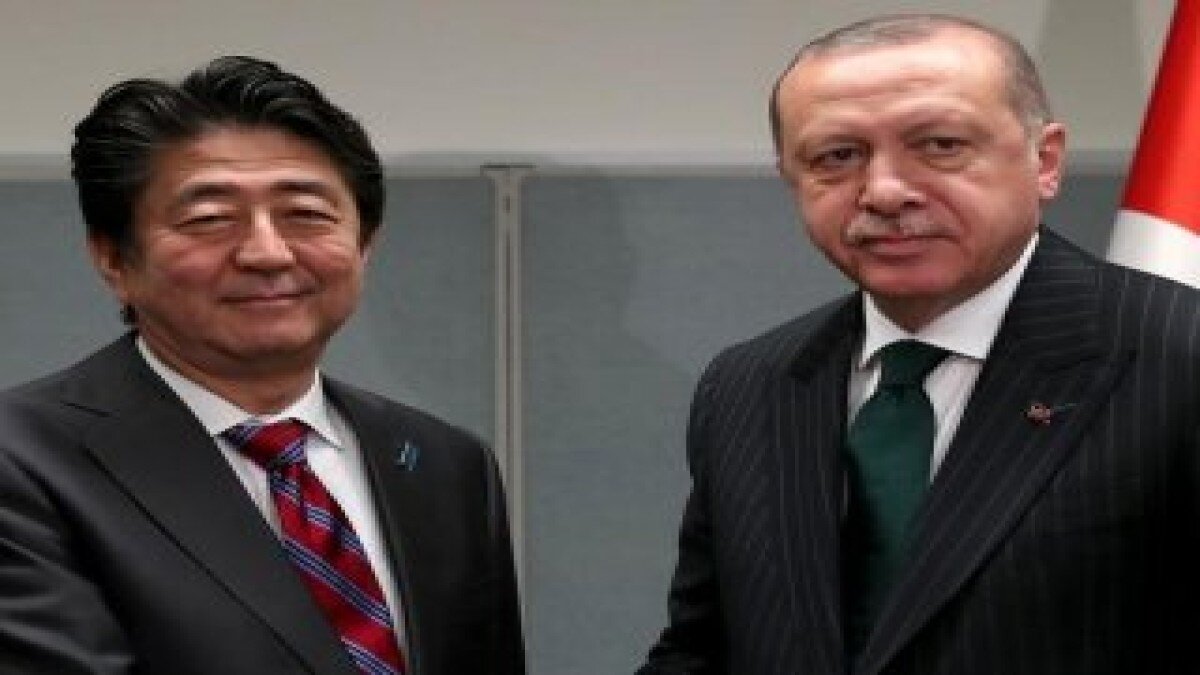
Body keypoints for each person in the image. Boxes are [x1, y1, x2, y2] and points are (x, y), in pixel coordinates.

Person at [639, 13, 1200, 675]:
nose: (884, 192)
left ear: (1044, 161)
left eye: (939, 145)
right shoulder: (748, 386)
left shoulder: (1178, 356)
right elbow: (702, 651)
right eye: (837, 157)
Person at [0, 56, 524, 675]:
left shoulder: (445, 464)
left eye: (306, 214)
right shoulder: (24, 460)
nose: (267, 253)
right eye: (209, 220)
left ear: (364, 244)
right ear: (113, 258)